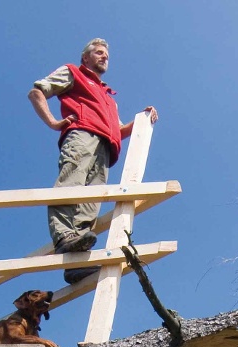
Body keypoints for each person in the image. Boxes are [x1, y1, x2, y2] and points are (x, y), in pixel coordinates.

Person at [28, 38, 158, 284]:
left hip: (106, 148)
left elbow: (119, 130)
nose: (104, 57)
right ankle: (64, 237)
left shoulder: (109, 97)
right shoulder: (73, 72)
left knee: (91, 201)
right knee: (71, 184)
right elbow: (36, 92)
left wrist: (142, 119)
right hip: (82, 135)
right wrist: (53, 122)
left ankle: (76, 262)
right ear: (85, 58)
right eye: (98, 53)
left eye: (106, 55)